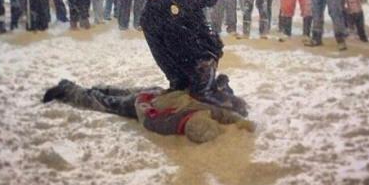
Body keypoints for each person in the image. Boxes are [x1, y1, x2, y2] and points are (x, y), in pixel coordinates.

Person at [137, 0, 244, 111]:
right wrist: (174, 78)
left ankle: (224, 97)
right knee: (186, 94)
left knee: (203, 96)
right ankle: (218, 84)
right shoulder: (148, 17)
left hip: (204, 52)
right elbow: (158, 52)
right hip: (181, 62)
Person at [42, 79, 253, 143]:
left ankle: (75, 89)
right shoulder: (202, 108)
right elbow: (225, 115)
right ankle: (73, 90)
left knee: (110, 97)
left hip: (151, 98)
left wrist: (144, 104)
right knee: (107, 101)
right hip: (151, 99)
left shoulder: (199, 97)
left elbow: (151, 120)